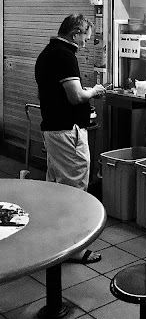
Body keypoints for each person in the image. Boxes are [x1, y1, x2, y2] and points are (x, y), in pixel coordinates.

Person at [35, 14, 106, 264]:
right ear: (75, 33)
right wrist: (95, 91)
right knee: (74, 188)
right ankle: (74, 248)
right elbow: (75, 96)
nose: (86, 43)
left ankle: (54, 240)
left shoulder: (46, 53)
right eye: (85, 37)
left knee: (56, 187)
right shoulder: (65, 56)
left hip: (52, 130)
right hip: (67, 132)